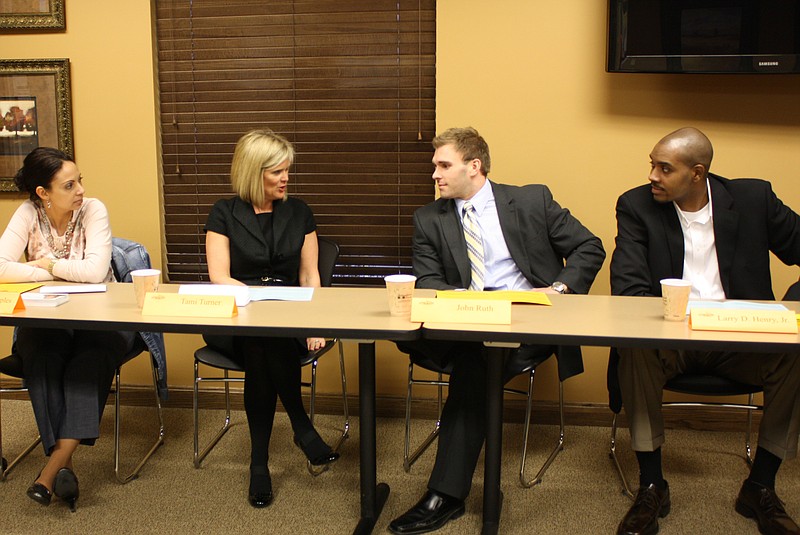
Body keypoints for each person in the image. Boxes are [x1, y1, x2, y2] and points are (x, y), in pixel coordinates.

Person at [389, 127, 605, 534]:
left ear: (475, 167)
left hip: (528, 325)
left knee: (478, 363)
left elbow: (589, 247)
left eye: (443, 165)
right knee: (477, 356)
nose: (434, 175)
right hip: (462, 327)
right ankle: (457, 493)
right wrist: (470, 307)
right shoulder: (428, 219)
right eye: (434, 166)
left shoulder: (530, 200)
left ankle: (445, 495)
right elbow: (429, 281)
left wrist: (557, 288)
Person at [610, 127, 800, 535]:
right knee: (634, 348)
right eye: (652, 165)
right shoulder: (636, 206)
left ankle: (761, 485)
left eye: (664, 168)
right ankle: (651, 484)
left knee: (795, 351)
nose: (652, 176)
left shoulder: (753, 199)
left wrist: (792, 306)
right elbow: (627, 289)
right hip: (669, 336)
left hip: (740, 337)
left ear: (697, 173)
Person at [203, 128, 339, 509]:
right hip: (234, 314)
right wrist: (255, 303)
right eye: (277, 172)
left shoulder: (299, 212)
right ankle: (301, 427)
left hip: (289, 315)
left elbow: (310, 277)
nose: (285, 179)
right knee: (261, 338)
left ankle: (258, 464)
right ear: (252, 171)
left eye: (287, 171)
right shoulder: (223, 213)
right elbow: (220, 277)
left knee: (266, 344)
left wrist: (315, 324)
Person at [0, 147, 139, 512]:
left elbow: (96, 273)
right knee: (42, 360)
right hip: (48, 317)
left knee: (85, 367)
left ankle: (49, 472)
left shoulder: (93, 209)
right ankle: (66, 464)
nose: (80, 190)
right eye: (69, 184)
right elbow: (0, 267)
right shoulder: (27, 213)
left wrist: (44, 263)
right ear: (43, 193)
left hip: (102, 318)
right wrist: (50, 269)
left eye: (80, 181)